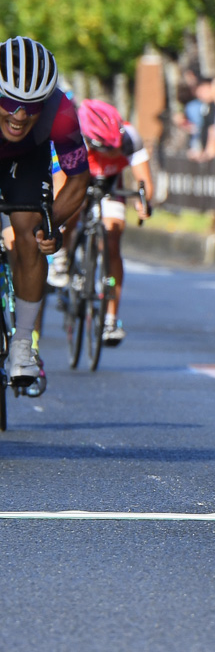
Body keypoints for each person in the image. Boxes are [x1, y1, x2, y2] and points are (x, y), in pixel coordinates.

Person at [0, 37, 89, 389]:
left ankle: (22, 344)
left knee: (29, 231)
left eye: (31, 106)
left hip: (26, 161)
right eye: (9, 104)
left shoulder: (61, 112)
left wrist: (52, 226)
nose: (20, 116)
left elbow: (79, 180)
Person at [52, 100, 154, 344]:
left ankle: (110, 319)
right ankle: (62, 256)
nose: (111, 153)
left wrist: (143, 203)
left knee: (112, 238)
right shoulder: (71, 138)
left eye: (114, 148)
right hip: (78, 179)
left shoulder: (130, 137)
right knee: (69, 211)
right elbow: (60, 187)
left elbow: (144, 183)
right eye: (104, 148)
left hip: (110, 183)